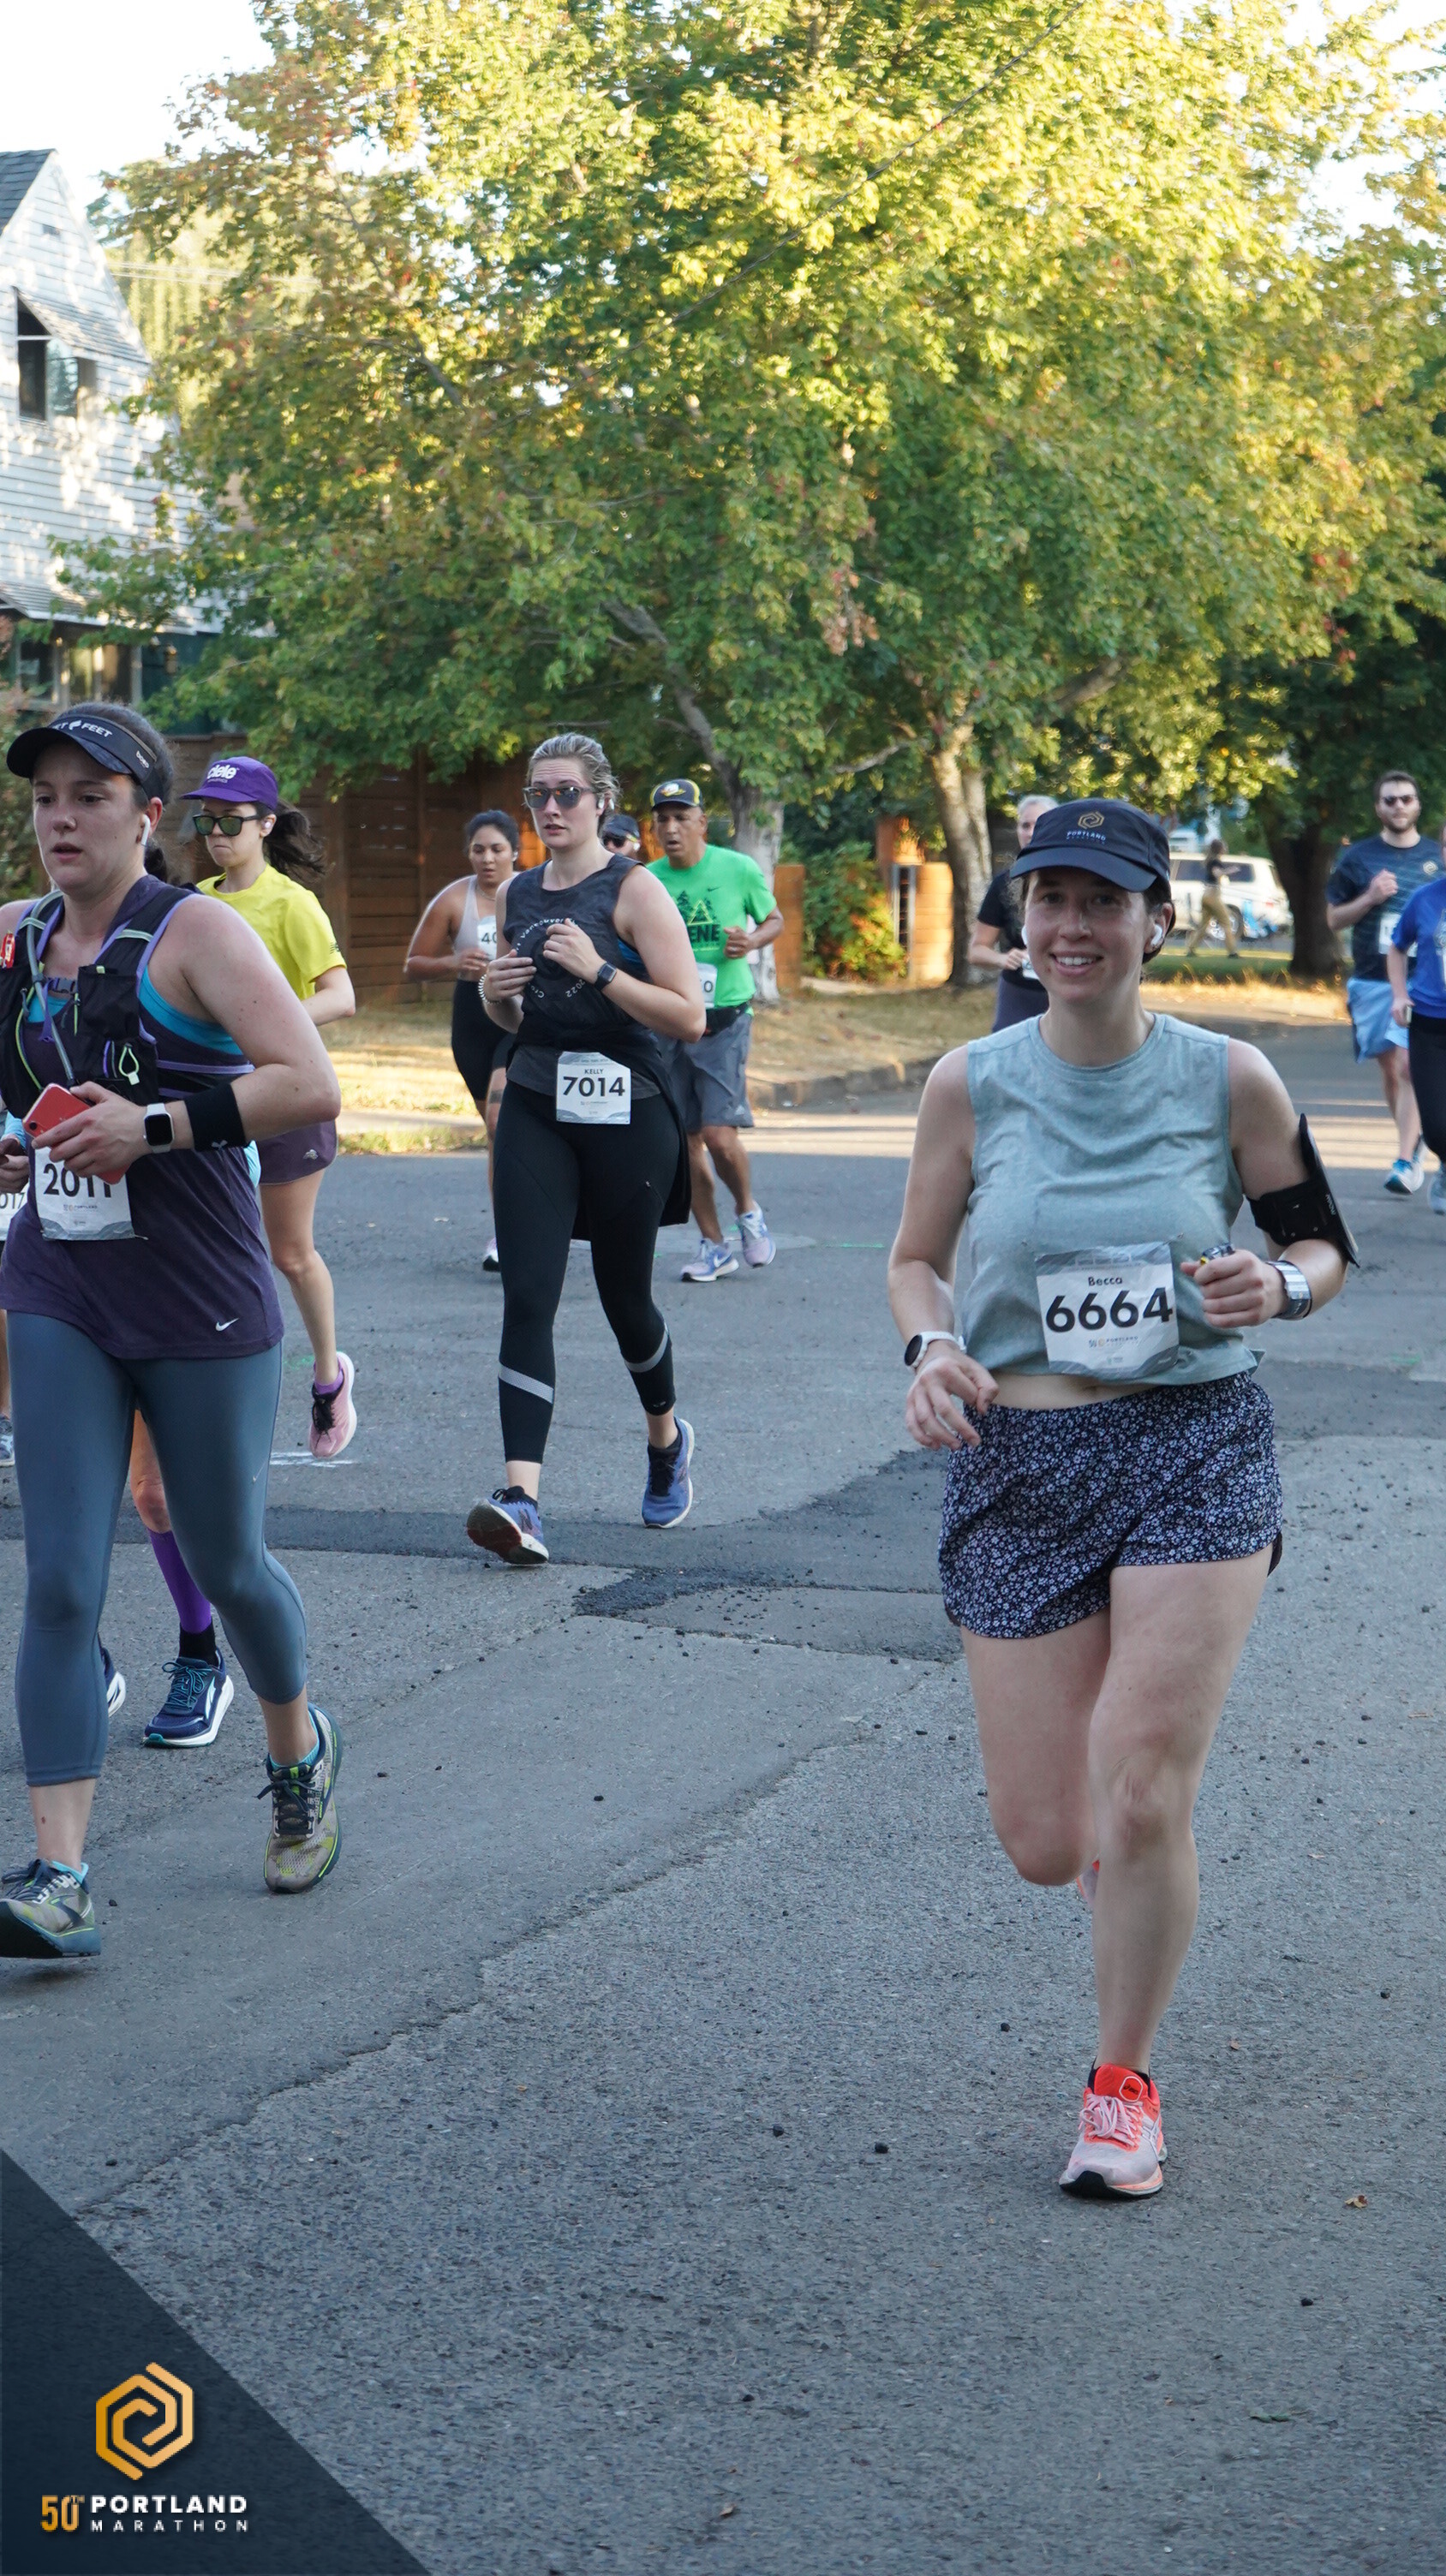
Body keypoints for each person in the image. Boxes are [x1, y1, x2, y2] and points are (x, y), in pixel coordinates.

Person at [888, 796, 1351, 2197]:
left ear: (1157, 921)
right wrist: (932, 1346)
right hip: (1019, 1465)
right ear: (1022, 921)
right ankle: (1115, 1877)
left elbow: (1318, 1243)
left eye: (1103, 902)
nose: (1073, 927)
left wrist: (1276, 1287)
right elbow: (914, 1260)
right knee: (1048, 1841)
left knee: (1143, 1785)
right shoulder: (970, 1082)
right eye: (1051, 901)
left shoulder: (1229, 1079)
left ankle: (1120, 2085)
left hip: (1192, 1445)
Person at [0, 702, 346, 1960]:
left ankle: (297, 1752)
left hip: (200, 1295)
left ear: (149, 815)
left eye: (90, 797)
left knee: (228, 1561)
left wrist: (150, 1128)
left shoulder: (196, 933)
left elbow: (308, 1081)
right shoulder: (14, 938)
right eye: (46, 797)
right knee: (60, 1576)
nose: (61, 820)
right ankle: (61, 1876)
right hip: (61, 1287)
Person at [466, 732, 703, 1564]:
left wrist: (600, 970)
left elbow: (687, 1016)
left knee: (623, 1298)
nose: (551, 807)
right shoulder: (518, 892)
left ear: (602, 801)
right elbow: (514, 1015)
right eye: (538, 794)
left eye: (567, 792)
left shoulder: (634, 889)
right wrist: (495, 996)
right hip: (537, 1100)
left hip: (629, 1109)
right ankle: (522, 1499)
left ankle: (666, 1439)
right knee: (528, 1293)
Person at [181, 756, 360, 1451]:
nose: (216, 834)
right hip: (212, 1101)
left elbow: (341, 996)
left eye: (231, 821)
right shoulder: (193, 904)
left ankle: (328, 1377)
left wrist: (268, 1025)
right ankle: (214, 1396)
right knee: (215, 1252)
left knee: (288, 1253)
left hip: (286, 1097)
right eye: (207, 820)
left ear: (266, 824)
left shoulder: (292, 904)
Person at [646, 778, 784, 1281]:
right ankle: (713, 1244)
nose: (672, 828)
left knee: (719, 1135)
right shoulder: (647, 881)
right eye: (663, 819)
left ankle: (747, 1210)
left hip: (724, 1019)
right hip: (670, 1023)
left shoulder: (737, 868)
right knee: (683, 1143)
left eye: (682, 818)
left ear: (702, 823)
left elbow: (774, 919)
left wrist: (751, 942)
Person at [404, 808, 519, 1271]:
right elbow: (414, 963)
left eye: (497, 849)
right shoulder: (455, 899)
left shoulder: (533, 893)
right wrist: (454, 963)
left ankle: (519, 1231)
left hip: (521, 1018)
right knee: (497, 1134)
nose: (488, 859)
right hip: (473, 1018)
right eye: (479, 850)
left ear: (515, 852)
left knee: (500, 1120)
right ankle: (507, 1230)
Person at [1326, 772, 1443, 1196]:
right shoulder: (1358, 858)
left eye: (1406, 799)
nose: (1399, 806)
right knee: (1392, 1070)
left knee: (1409, 1065)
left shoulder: (1435, 856)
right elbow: (1333, 919)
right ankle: (1415, 1142)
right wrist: (1370, 898)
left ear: (1418, 805)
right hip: (1375, 979)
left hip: (1426, 980)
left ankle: (1408, 1156)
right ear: (1378, 808)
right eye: (1390, 800)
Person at [1386, 864, 1446, 1216]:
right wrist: (1398, 994)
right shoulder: (1424, 899)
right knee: (1436, 1128)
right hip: (1429, 1024)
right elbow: (1397, 947)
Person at [969, 793, 1056, 1030]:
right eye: (1025, 825)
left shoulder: (1074, 879)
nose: (1030, 832)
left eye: (1039, 825)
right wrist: (1004, 958)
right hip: (1019, 995)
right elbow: (976, 951)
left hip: (1066, 993)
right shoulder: (1005, 883)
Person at [1184, 837, 1239, 957]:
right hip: (1213, 896)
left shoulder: (1210, 860)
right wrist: (1230, 870)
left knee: (1203, 925)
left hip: (1206, 896)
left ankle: (1191, 948)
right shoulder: (1216, 861)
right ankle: (1232, 951)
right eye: (1224, 846)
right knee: (1226, 922)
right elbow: (1216, 873)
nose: (1226, 848)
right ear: (1219, 849)